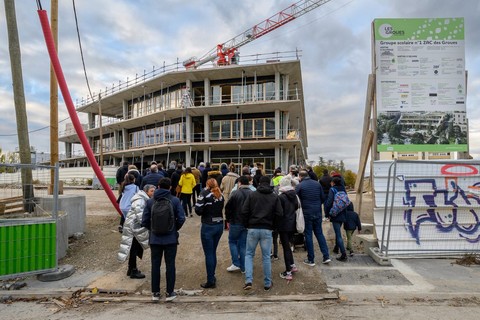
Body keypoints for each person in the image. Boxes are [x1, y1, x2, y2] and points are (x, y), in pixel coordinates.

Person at [142, 178, 186, 302]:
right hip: (171, 239)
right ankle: (170, 292)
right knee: (170, 265)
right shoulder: (175, 200)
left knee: (155, 265)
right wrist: (173, 229)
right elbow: (181, 218)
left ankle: (155, 293)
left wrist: (152, 230)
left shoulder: (150, 202)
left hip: (155, 239)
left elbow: (144, 221)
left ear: (158, 187)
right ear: (170, 187)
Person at [241, 176, 283, 291]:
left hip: (252, 228)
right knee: (266, 257)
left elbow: (244, 211)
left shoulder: (252, 195)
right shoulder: (274, 196)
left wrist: (246, 224)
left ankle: (248, 280)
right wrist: (274, 226)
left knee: (249, 255)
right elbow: (279, 214)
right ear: (269, 183)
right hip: (267, 229)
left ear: (259, 183)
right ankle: (267, 283)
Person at [117, 184, 156, 279]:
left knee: (133, 248)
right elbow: (140, 216)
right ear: (146, 191)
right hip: (134, 228)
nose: (153, 193)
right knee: (133, 249)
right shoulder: (140, 200)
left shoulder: (143, 199)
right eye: (151, 191)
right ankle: (133, 270)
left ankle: (131, 269)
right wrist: (149, 224)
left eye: (154, 191)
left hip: (134, 227)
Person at [296, 170, 331, 266]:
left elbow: (296, 200)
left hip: (307, 213)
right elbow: (323, 197)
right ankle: (326, 256)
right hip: (318, 212)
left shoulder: (300, 186)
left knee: (308, 235)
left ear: (300, 177)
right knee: (319, 233)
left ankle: (311, 259)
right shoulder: (317, 184)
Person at [195, 178, 225, 289]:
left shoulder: (204, 194)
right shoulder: (220, 195)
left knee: (209, 253)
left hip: (208, 225)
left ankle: (210, 279)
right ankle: (212, 275)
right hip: (219, 224)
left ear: (207, 185)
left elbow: (198, 210)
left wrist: (204, 210)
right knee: (213, 251)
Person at [224, 175, 252, 273]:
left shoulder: (235, 193)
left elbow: (228, 208)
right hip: (247, 223)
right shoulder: (252, 193)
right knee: (243, 244)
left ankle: (236, 263)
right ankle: (243, 267)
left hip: (235, 221)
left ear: (239, 183)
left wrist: (227, 219)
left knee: (232, 241)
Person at [276, 175, 299, 281]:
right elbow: (295, 207)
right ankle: (293, 265)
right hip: (292, 224)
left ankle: (288, 272)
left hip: (283, 225)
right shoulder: (294, 195)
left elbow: (279, 212)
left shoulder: (281, 197)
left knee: (286, 248)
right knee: (289, 246)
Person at [324, 176, 351, 262]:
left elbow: (329, 202)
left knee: (338, 234)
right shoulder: (343, 189)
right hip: (343, 213)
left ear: (333, 183)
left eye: (331, 182)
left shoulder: (332, 189)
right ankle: (336, 247)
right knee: (338, 231)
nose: (330, 183)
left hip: (335, 213)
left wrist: (327, 213)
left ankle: (343, 254)